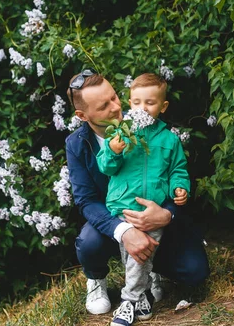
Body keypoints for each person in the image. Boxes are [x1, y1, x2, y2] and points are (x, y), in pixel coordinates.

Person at [65, 69, 209, 319]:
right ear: (82, 115)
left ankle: (153, 272)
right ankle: (98, 281)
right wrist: (124, 231)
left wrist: (167, 213)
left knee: (195, 271)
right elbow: (86, 200)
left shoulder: (149, 129)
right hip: (114, 218)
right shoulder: (77, 144)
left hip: (154, 216)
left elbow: (173, 170)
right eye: (104, 106)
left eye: (114, 97)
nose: (116, 107)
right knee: (88, 242)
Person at [96, 73, 190, 326]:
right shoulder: (118, 132)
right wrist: (114, 151)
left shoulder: (169, 139)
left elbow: (177, 169)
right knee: (133, 253)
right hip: (123, 207)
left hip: (153, 210)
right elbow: (105, 167)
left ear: (163, 106)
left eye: (150, 103)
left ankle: (129, 300)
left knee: (140, 254)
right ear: (129, 103)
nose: (142, 108)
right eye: (136, 102)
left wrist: (179, 187)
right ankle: (144, 293)